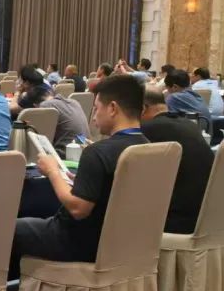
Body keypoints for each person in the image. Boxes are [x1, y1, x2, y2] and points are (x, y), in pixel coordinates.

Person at [10, 75, 149, 278]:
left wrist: (52, 171)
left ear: (112, 108)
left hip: (77, 240)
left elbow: (78, 209)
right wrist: (84, 183)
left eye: (97, 109)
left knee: (7, 229)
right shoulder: (149, 147)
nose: (93, 117)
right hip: (123, 241)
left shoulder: (98, 152)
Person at [140, 85, 214, 234]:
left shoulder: (148, 130)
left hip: (175, 223)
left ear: (142, 109)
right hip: (206, 218)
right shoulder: (189, 125)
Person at [19, 80, 90, 156]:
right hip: (86, 148)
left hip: (66, 155)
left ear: (35, 106)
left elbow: (41, 139)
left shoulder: (45, 106)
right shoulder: (73, 102)